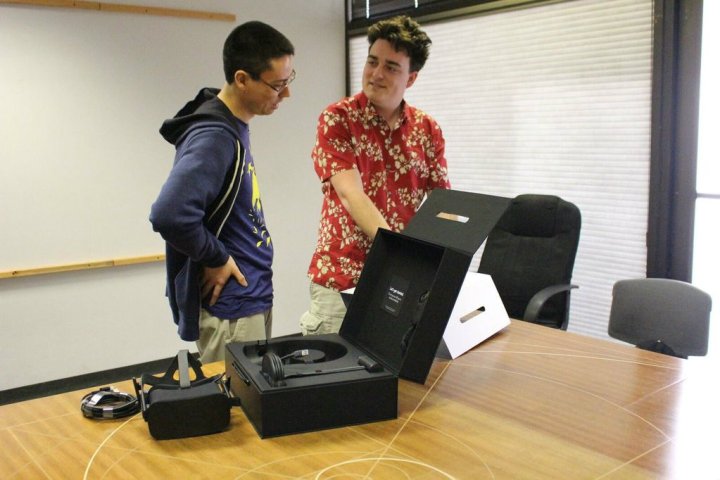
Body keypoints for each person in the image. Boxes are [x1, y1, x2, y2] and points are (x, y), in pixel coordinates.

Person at [150, 21, 295, 363]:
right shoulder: (214, 136)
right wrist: (216, 256)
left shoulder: (233, 126)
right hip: (232, 311)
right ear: (242, 79)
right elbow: (169, 214)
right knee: (239, 413)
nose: (286, 95)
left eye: (289, 81)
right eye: (278, 85)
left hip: (249, 300)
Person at [300, 15, 450, 335]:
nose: (376, 74)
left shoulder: (427, 129)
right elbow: (351, 194)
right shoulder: (338, 118)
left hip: (398, 286)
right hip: (341, 281)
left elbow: (442, 202)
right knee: (333, 382)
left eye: (391, 67)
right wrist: (401, 254)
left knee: (394, 383)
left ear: (411, 78)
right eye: (372, 62)